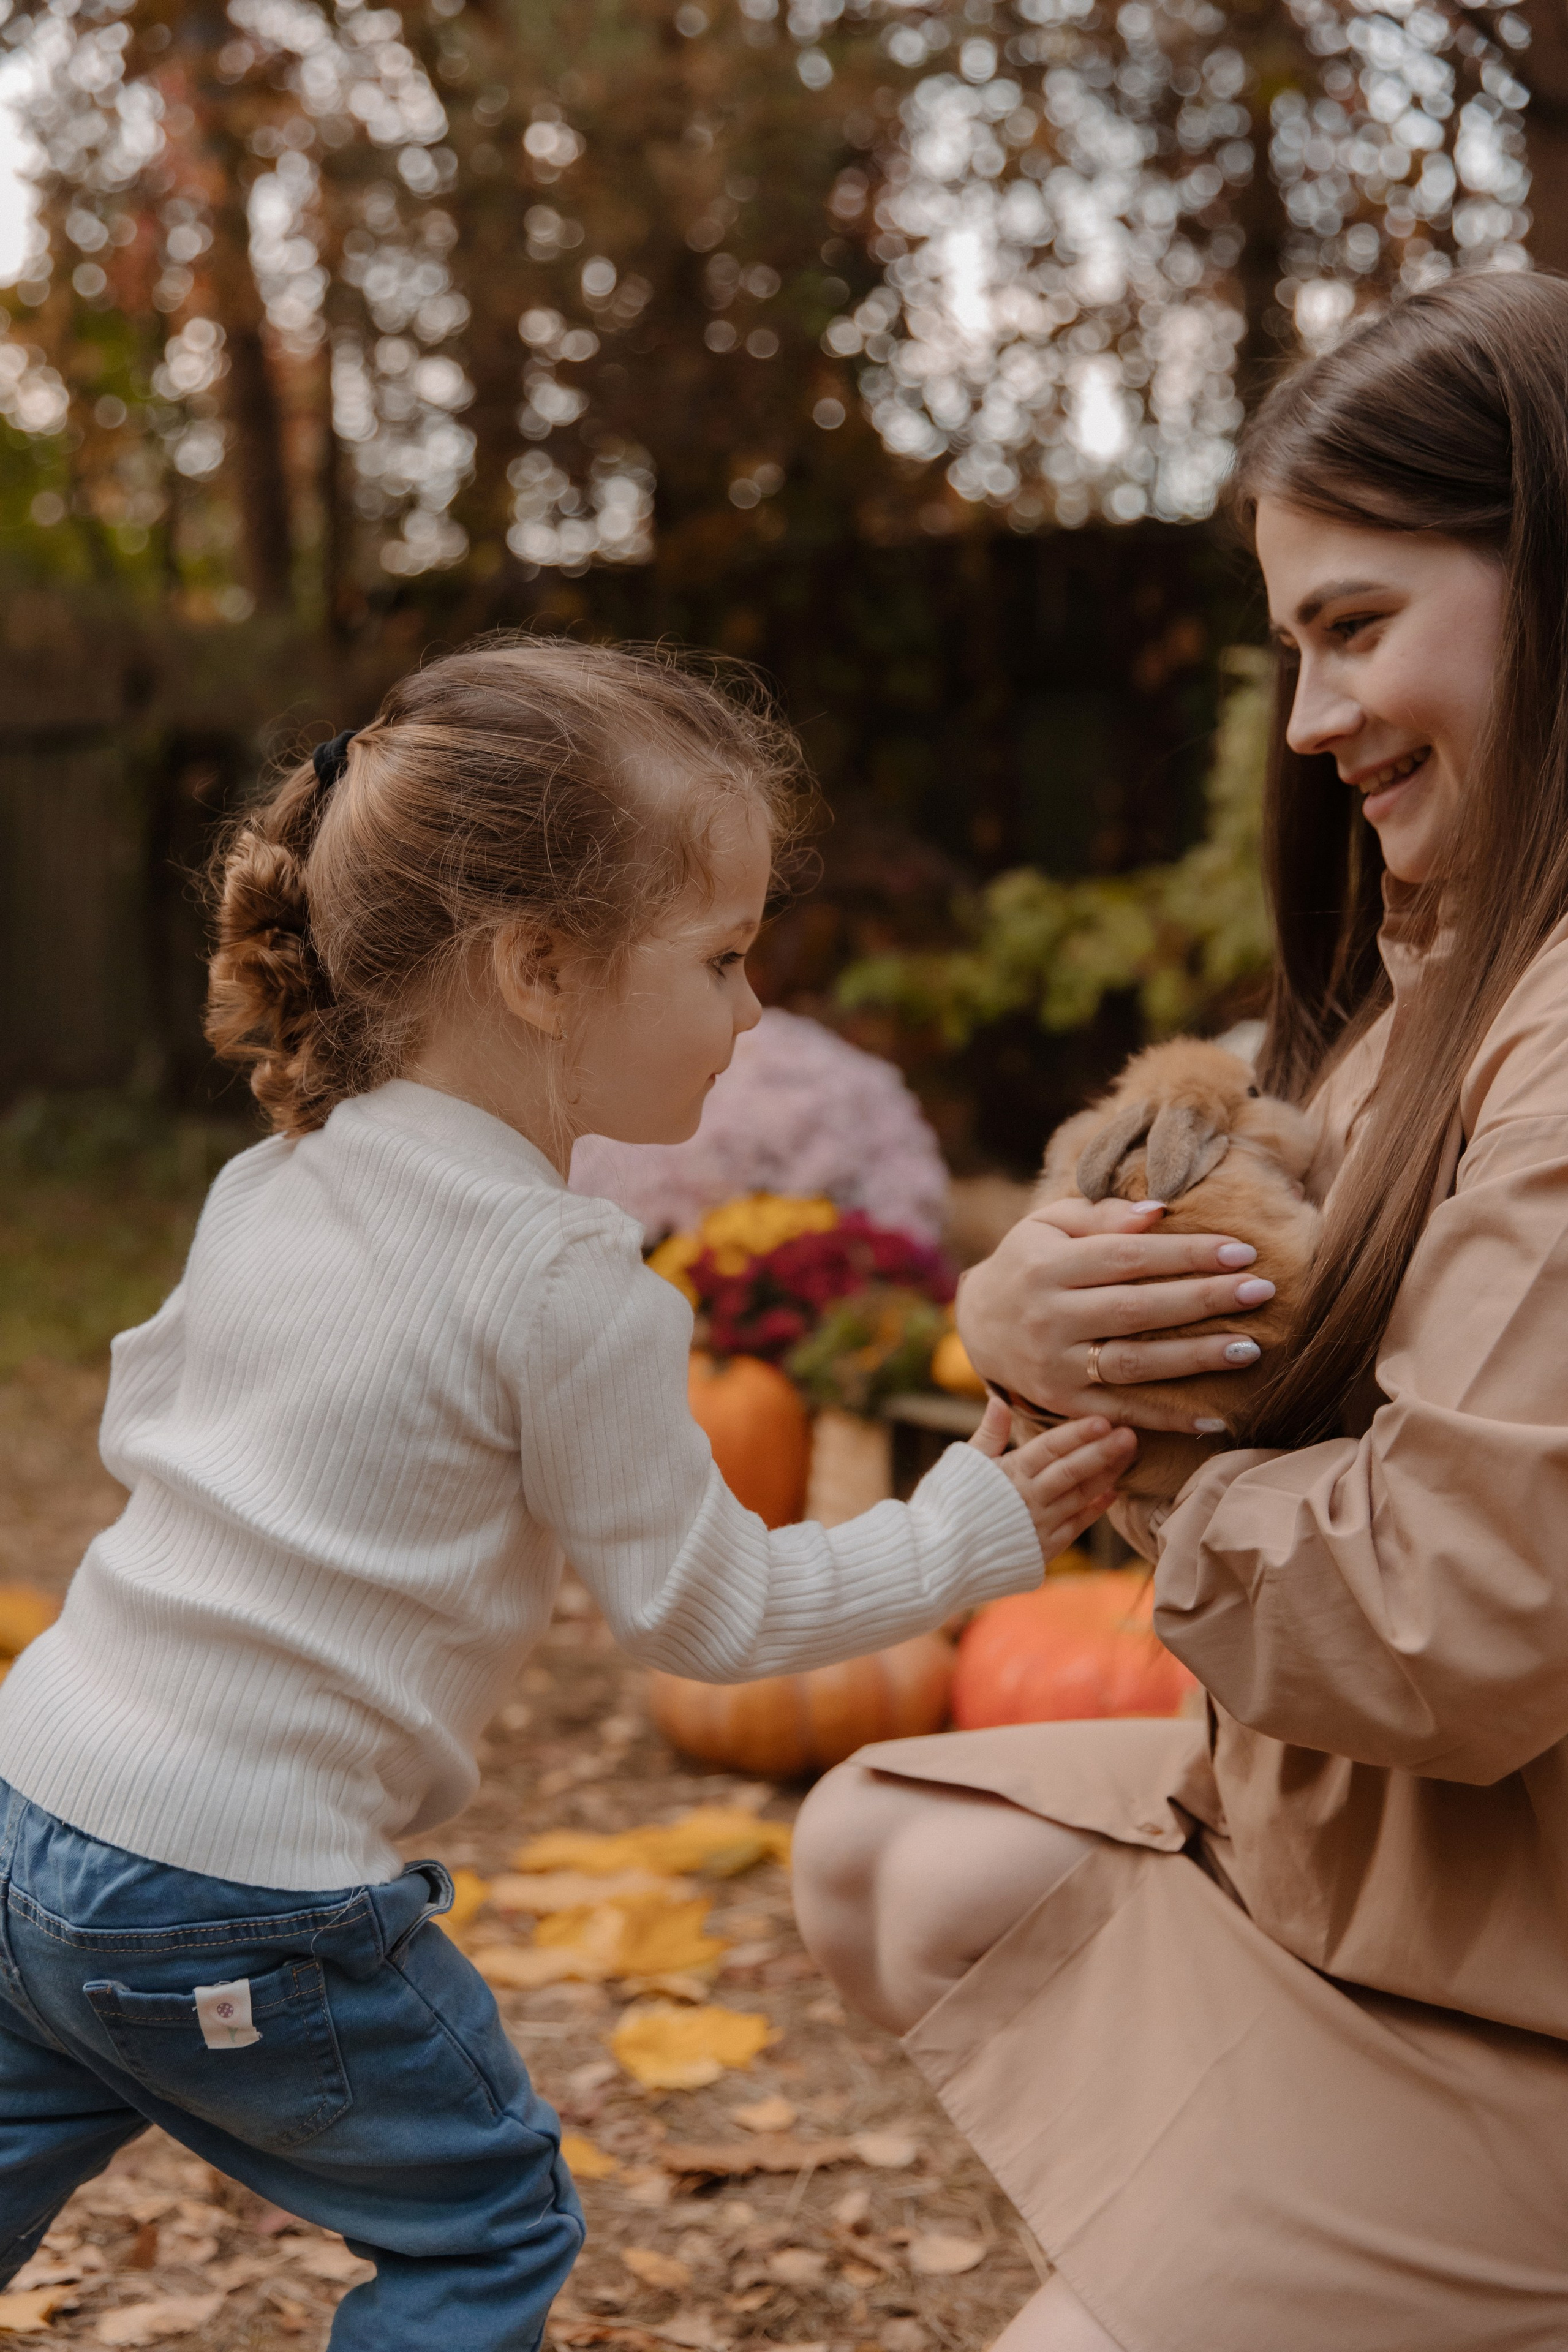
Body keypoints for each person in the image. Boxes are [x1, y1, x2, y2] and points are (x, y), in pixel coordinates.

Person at [0, 640, 1136, 2348]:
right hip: (246, 1888)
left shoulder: (278, 1171)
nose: (756, 1009)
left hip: (36, 1802)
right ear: (539, 967)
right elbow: (712, 1614)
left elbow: (146, 1411)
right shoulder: (566, 1281)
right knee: (487, 2225)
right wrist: (982, 1525)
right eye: (724, 958)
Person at [793, 270, 1568, 2352]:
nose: (1312, 724)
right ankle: (1265, 2202)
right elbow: (1209, 1157)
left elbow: (1452, 1617)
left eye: (1357, 630)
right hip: (1427, 1917)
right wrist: (1027, 1300)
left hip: (1525, 2001)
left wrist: (1138, 1447)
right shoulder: (1457, 973)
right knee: (883, 1843)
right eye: (1291, 647)